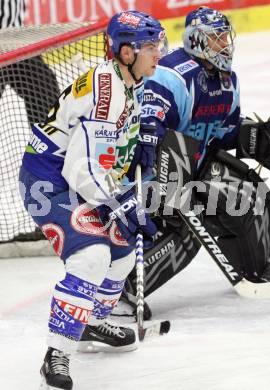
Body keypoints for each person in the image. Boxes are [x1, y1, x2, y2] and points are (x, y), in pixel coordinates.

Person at [115, 6, 270, 318]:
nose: (225, 45)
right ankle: (121, 293)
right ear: (198, 41)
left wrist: (254, 138)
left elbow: (222, 134)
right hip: (146, 179)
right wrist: (163, 174)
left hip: (193, 170)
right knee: (186, 233)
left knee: (248, 193)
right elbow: (148, 130)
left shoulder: (227, 81)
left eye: (225, 38)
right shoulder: (171, 76)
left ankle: (260, 263)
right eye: (217, 39)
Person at [19, 10, 167, 390]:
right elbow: (80, 170)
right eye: (150, 46)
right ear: (127, 52)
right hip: (48, 181)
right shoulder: (107, 92)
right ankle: (57, 352)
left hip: (80, 178)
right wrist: (122, 204)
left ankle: (86, 325)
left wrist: (139, 140)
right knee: (92, 257)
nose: (158, 53)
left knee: (120, 254)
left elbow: (108, 147)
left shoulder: (131, 80)